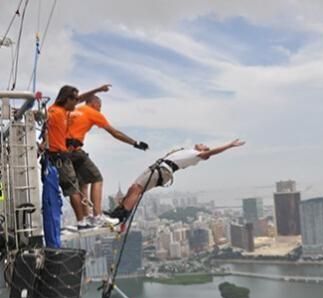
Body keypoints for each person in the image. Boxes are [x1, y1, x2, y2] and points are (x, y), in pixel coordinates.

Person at [107, 139, 245, 223]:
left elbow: (211, 153)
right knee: (133, 188)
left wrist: (229, 145)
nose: (202, 144)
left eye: (204, 145)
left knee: (137, 189)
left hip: (162, 170)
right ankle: (117, 212)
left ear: (203, 151)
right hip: (159, 168)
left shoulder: (197, 155)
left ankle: (120, 216)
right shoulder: (190, 152)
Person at [66, 94, 149, 226]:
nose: (100, 110)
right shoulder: (92, 112)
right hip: (75, 151)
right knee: (96, 178)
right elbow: (115, 133)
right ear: (93, 103)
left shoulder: (76, 109)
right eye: (100, 106)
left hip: (63, 151)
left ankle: (85, 218)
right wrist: (135, 143)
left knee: (83, 183)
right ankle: (97, 216)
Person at [45, 84, 111, 230]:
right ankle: (82, 221)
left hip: (64, 155)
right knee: (73, 189)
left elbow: (80, 99)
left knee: (79, 186)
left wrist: (98, 89)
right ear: (66, 99)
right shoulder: (54, 112)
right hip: (59, 156)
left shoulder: (64, 111)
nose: (77, 102)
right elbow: (43, 117)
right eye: (74, 99)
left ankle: (86, 218)